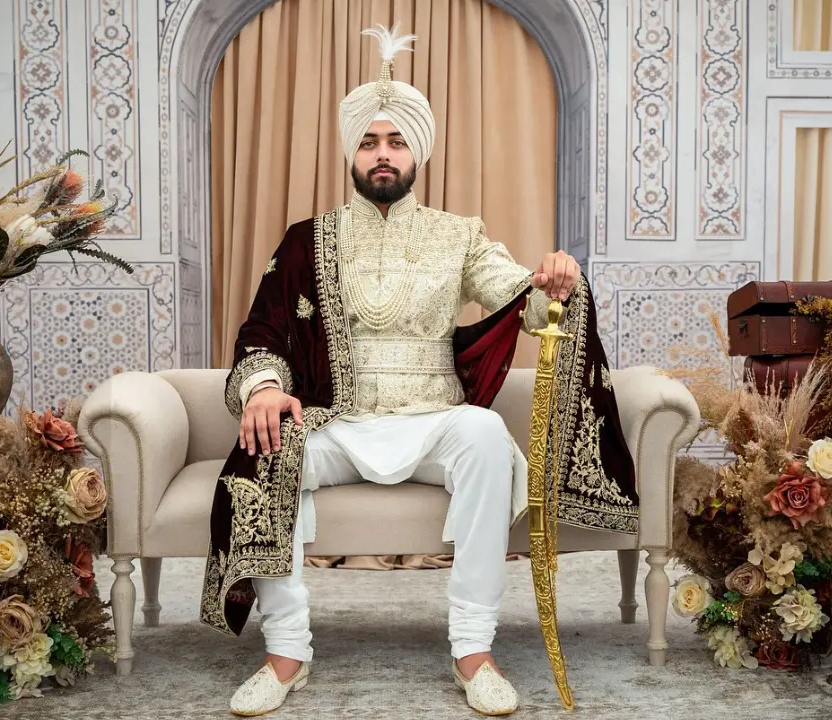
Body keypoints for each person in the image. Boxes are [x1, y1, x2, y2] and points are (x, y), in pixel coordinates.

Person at [202, 24, 638, 717]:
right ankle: (286, 650)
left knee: (488, 439)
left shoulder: (456, 233)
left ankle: (473, 648)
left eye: (396, 141)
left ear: (417, 154)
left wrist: (552, 282)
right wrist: (262, 387)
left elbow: (519, 296)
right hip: (336, 420)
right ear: (352, 151)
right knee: (268, 451)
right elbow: (262, 330)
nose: (383, 154)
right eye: (370, 141)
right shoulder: (306, 240)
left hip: (435, 419)